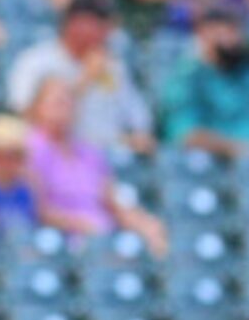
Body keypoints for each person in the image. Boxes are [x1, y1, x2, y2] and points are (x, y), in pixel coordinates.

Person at [22, 75, 164, 252]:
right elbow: (39, 209)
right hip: (64, 242)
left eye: (69, 101)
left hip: (104, 236)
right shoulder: (30, 149)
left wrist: (144, 224)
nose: (64, 108)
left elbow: (112, 200)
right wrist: (81, 224)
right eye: (57, 102)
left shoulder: (89, 152)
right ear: (38, 108)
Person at [5, 0, 151, 155]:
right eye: (100, 24)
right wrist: (84, 80)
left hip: (112, 153)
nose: (107, 33)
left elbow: (136, 112)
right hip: (58, 154)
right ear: (75, 24)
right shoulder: (36, 61)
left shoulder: (112, 65)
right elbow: (24, 116)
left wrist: (139, 135)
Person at [159, 3, 249, 159]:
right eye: (226, 30)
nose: (233, 38)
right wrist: (237, 149)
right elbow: (185, 135)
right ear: (203, 32)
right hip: (212, 165)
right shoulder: (187, 77)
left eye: (235, 29)